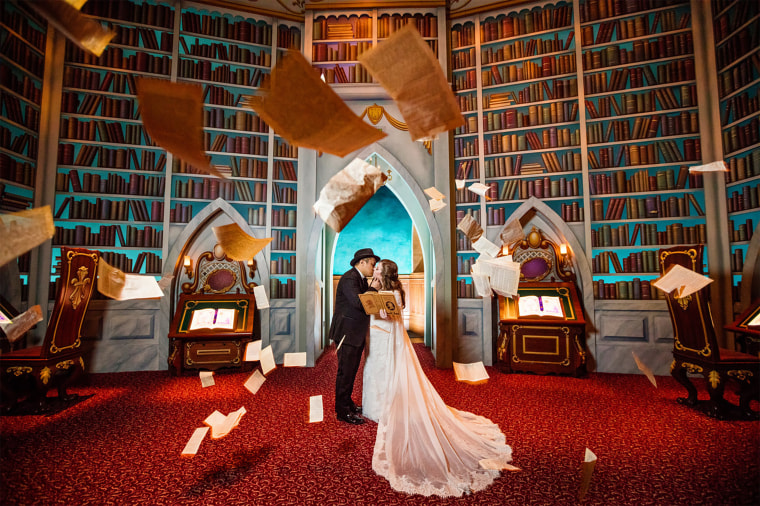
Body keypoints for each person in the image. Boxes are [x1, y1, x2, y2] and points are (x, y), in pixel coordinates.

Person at [364, 259, 514, 497]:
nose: (375, 271)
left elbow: (394, 317)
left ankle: (389, 406)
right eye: (375, 269)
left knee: (388, 369)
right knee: (373, 369)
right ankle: (374, 405)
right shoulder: (374, 287)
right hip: (375, 335)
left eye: (379, 269)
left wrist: (383, 309)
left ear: (387, 273)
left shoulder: (394, 292)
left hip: (388, 335)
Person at [329, 248, 379, 425]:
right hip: (346, 333)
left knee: (350, 371)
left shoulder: (359, 279)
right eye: (372, 264)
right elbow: (360, 303)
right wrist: (374, 287)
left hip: (354, 332)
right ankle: (342, 411)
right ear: (362, 262)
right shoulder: (351, 278)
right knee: (346, 372)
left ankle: (347, 403)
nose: (374, 268)